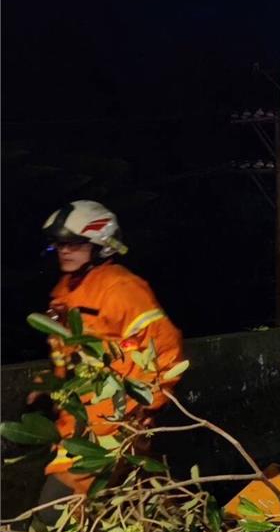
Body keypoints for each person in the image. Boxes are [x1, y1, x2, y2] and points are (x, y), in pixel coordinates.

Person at [37, 200, 183, 499]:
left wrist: (144, 407)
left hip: (112, 428)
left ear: (100, 245)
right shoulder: (66, 289)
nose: (64, 250)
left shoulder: (121, 288)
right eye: (60, 243)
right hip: (76, 424)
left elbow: (166, 349)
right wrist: (46, 387)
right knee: (106, 512)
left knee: (55, 509)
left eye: (75, 243)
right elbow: (67, 351)